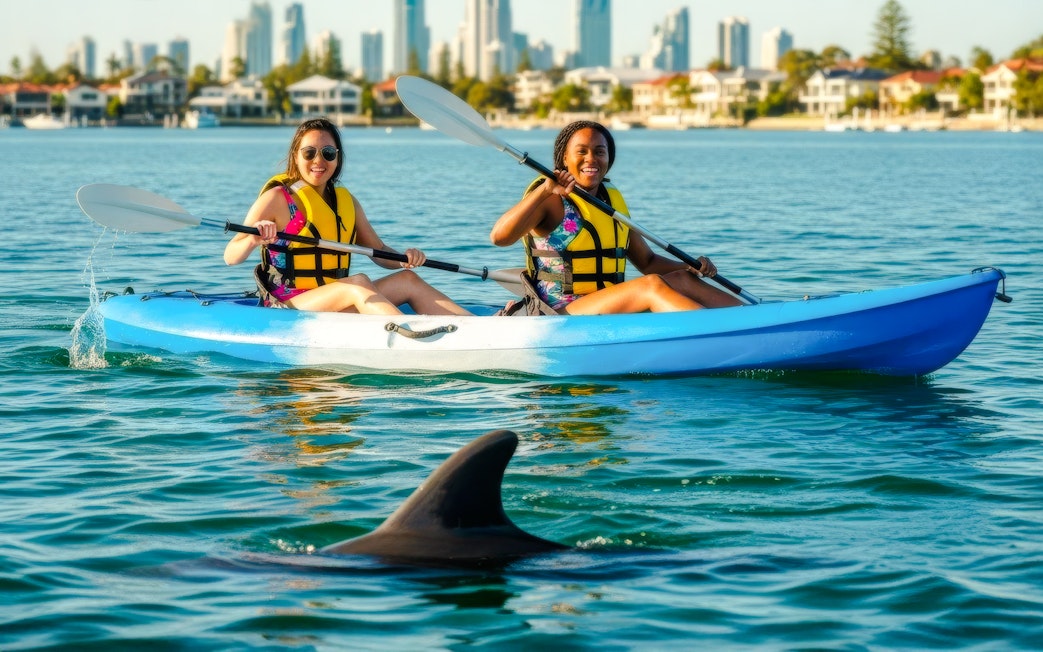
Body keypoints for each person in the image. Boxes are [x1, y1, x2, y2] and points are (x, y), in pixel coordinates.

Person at [489, 120, 742, 315]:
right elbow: (499, 237)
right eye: (582, 151)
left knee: (682, 280)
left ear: (609, 159)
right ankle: (721, 334)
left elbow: (648, 261)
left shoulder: (610, 199)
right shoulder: (551, 199)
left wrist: (689, 266)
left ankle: (753, 318)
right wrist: (544, 190)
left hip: (607, 304)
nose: (591, 159)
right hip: (560, 312)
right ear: (564, 158)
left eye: (600, 152)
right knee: (650, 286)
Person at [225, 117, 471, 316]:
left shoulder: (347, 202)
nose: (318, 161)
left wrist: (405, 258)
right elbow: (230, 256)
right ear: (296, 156)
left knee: (408, 279)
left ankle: (475, 329)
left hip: (336, 301)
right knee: (358, 283)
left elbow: (379, 250)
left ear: (337, 157)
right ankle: (411, 336)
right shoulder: (278, 198)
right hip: (289, 307)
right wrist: (253, 239)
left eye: (328, 152)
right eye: (309, 153)